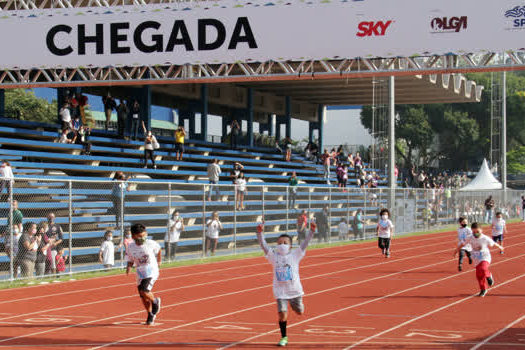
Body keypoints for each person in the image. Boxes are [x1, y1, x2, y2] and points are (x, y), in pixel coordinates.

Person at [256, 220, 316, 347]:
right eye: (279, 243)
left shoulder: (295, 255)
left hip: (295, 291)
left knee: (299, 311)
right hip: (280, 291)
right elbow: (263, 245)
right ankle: (284, 337)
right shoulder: (273, 256)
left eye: (285, 243)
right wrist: (260, 232)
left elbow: (305, 244)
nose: (282, 245)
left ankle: (298, 306)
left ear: (290, 246)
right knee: (282, 313)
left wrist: (311, 231)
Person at [455, 222, 504, 297]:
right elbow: (462, 244)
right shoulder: (470, 237)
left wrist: (500, 247)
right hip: (476, 258)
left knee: (483, 268)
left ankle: (488, 276)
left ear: (481, 230)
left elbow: (493, 243)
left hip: (485, 257)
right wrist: (456, 251)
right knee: (479, 275)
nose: (476, 233)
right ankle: (483, 289)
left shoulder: (485, 238)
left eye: (477, 232)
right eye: (474, 232)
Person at [126, 223, 162, 325]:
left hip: (151, 269)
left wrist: (159, 261)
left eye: (143, 235)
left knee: (144, 290)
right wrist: (129, 267)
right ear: (133, 236)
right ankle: (150, 314)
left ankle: (155, 301)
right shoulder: (130, 247)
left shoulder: (150, 243)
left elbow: (159, 250)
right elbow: (130, 259)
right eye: (139, 236)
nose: (142, 238)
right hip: (140, 271)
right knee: (143, 296)